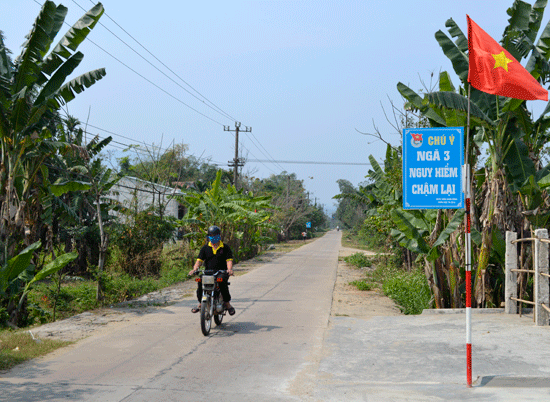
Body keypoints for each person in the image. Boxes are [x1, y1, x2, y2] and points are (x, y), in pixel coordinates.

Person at [189, 225, 235, 315]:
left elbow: (229, 260)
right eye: (211, 236)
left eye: (215, 236)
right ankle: (200, 303)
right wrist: (194, 269)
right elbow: (199, 261)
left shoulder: (225, 248)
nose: (213, 238)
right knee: (200, 281)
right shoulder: (205, 248)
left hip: (221, 272)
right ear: (208, 237)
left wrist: (229, 270)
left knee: (222, 283)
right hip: (208, 272)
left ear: (219, 236)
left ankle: (227, 303)